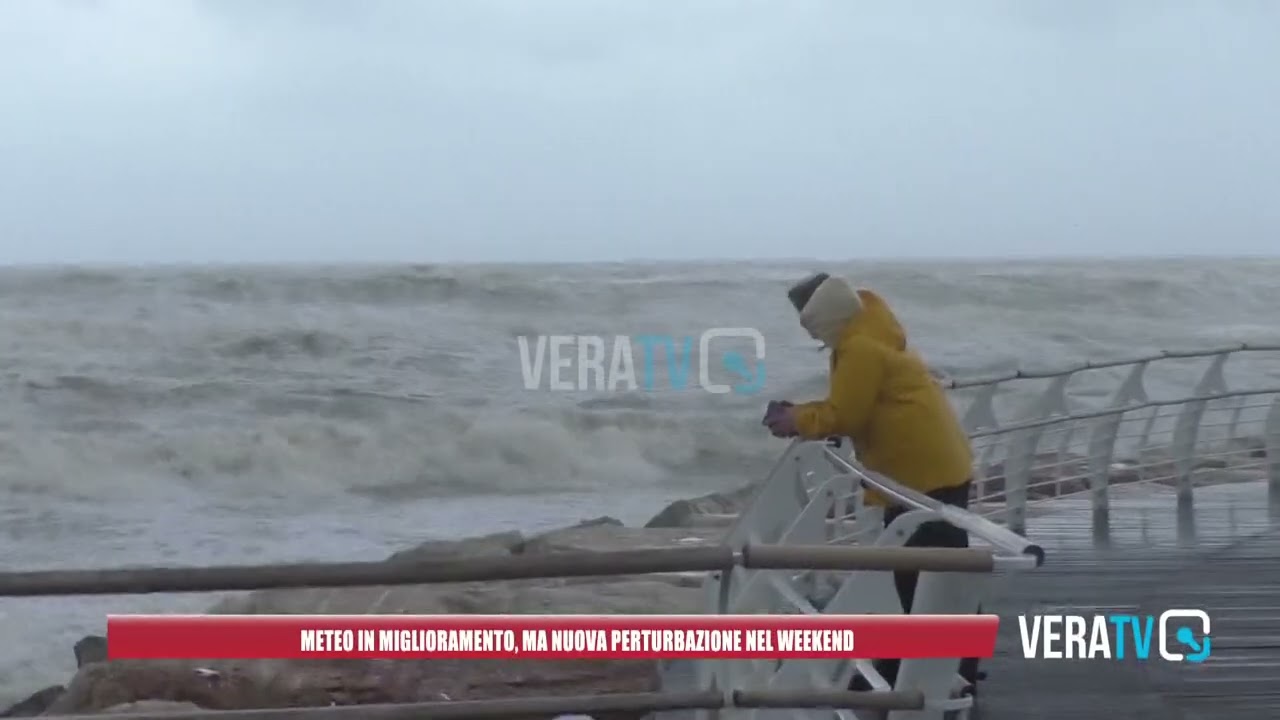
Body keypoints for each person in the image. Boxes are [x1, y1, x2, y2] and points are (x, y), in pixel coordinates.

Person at [763, 272, 980, 692]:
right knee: (933, 573)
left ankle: (944, 675)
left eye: (808, 323)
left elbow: (847, 414)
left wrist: (796, 420)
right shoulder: (871, 334)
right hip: (931, 465)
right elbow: (854, 404)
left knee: (923, 575)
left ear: (821, 316)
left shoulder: (859, 348)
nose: (814, 336)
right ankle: (941, 667)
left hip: (920, 472)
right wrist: (807, 413)